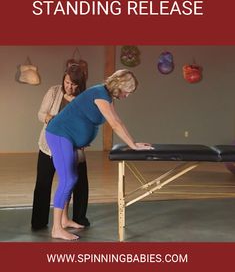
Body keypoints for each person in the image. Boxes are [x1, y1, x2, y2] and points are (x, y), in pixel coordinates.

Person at [45, 69, 153, 240]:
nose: (127, 95)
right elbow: (115, 123)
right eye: (127, 91)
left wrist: (134, 143)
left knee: (71, 178)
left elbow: (115, 120)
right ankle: (56, 229)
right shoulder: (99, 93)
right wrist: (133, 145)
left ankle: (64, 220)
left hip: (68, 138)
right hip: (59, 134)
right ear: (119, 87)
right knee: (68, 179)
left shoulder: (105, 95)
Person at [31, 62, 90, 231]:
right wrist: (52, 119)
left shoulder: (84, 99)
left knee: (78, 183)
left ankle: (77, 217)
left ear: (80, 84)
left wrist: (83, 137)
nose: (69, 86)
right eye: (66, 82)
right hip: (49, 147)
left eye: (73, 84)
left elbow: (86, 123)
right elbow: (41, 114)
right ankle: (39, 222)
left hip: (73, 147)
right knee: (43, 183)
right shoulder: (54, 91)